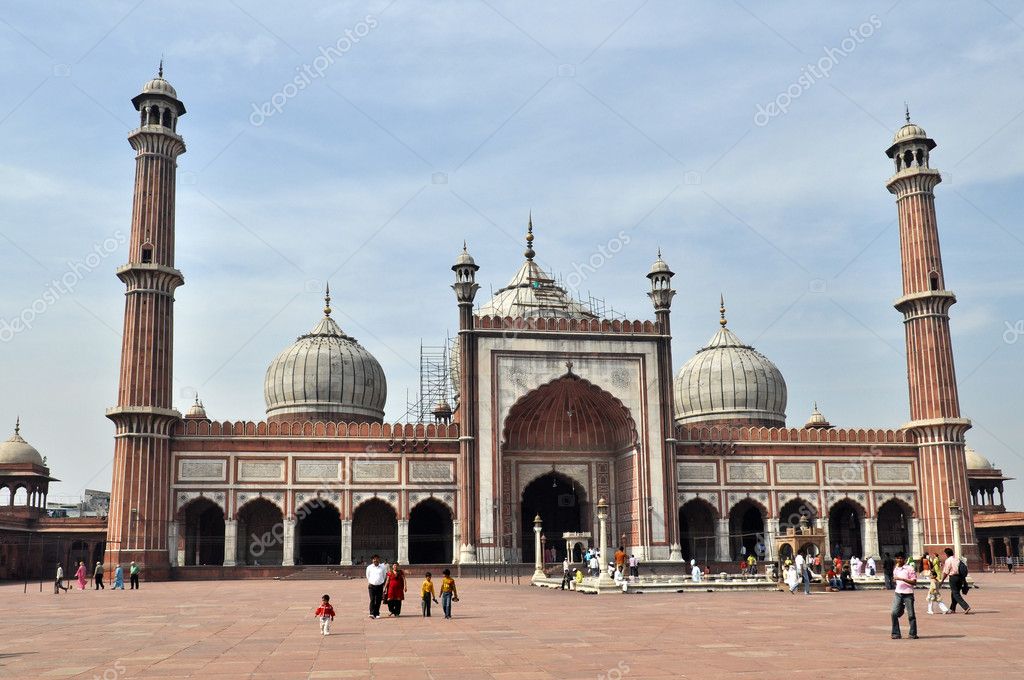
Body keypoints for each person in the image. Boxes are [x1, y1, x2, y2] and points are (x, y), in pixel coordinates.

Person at [890, 552, 918, 639]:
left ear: (904, 559)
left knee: (911, 615)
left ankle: (913, 634)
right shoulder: (896, 569)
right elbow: (895, 579)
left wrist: (902, 579)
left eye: (901, 558)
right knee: (894, 613)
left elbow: (914, 582)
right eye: (897, 558)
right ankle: (896, 633)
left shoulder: (909, 568)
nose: (899, 560)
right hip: (898, 593)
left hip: (908, 593)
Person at [940, 547, 971, 614]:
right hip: (960, 577)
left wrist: (942, 581)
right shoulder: (957, 559)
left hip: (953, 578)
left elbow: (946, 572)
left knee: (955, 593)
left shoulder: (948, 560)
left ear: (946, 554)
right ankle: (952, 608)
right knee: (954, 593)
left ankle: (966, 606)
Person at [365, 554, 388, 619]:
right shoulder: (369, 567)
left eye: (377, 559)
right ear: (372, 560)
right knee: (372, 599)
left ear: (379, 559)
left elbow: (384, 576)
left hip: (380, 586)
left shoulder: (383, 567)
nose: (376, 560)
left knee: (378, 600)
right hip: (371, 586)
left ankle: (377, 613)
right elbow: (367, 576)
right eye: (374, 559)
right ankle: (372, 613)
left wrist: (381, 582)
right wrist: (371, 582)